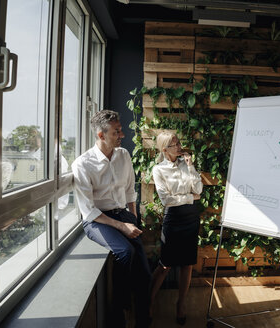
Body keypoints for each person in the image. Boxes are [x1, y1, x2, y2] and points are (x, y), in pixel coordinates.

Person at [71, 110, 151, 328]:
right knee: (125, 252)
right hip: (97, 220)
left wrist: (133, 218)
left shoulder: (123, 155)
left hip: (123, 214)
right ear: (101, 135)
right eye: (117, 132)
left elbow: (129, 190)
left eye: (120, 130)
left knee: (144, 274)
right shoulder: (82, 164)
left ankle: (143, 320)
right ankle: (119, 314)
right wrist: (122, 226)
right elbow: (88, 210)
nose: (122, 135)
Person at [150, 131, 203, 325]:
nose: (180, 146)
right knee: (165, 264)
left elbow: (199, 190)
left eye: (179, 142)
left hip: (191, 218)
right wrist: (189, 198)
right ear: (165, 149)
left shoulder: (186, 163)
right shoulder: (158, 170)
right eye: (175, 144)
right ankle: (149, 301)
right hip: (173, 219)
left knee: (187, 264)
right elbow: (166, 200)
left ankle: (181, 304)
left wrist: (190, 167)